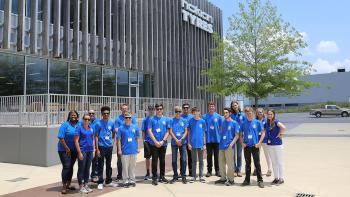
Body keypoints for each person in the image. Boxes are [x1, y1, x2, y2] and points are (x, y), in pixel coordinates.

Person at [240, 107, 265, 188]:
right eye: (246, 112)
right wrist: (242, 143)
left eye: (250, 112)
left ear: (253, 113)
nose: (248, 113)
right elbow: (240, 134)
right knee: (247, 164)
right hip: (247, 146)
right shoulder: (243, 123)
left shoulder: (257, 122)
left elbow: (263, 133)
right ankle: (247, 180)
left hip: (255, 146)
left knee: (257, 164)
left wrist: (259, 143)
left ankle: (260, 180)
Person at [215, 108, 240, 186]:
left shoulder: (234, 123)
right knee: (221, 163)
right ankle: (223, 178)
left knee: (230, 164)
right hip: (221, 145)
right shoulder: (222, 122)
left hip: (229, 146)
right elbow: (220, 131)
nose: (225, 114)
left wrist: (231, 144)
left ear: (230, 113)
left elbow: (237, 135)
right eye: (224, 113)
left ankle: (231, 180)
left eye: (226, 112)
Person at [148, 104, 170, 185]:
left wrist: (163, 141)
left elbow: (168, 131)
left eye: (160, 109)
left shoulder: (166, 119)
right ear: (155, 110)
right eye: (157, 109)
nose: (159, 110)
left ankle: (162, 176)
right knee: (154, 161)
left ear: (162, 109)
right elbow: (149, 131)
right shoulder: (151, 119)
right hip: (154, 144)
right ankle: (154, 177)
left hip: (163, 144)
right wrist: (155, 142)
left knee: (162, 161)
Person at [95, 106, 117, 190]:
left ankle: (108, 181)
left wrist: (112, 143)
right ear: (101, 114)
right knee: (100, 164)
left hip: (109, 147)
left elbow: (113, 133)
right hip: (101, 146)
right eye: (104, 113)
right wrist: (97, 149)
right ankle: (100, 182)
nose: (106, 115)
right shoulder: (98, 123)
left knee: (109, 164)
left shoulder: (111, 123)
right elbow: (96, 137)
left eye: (108, 113)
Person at [57, 110, 79, 194]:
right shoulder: (65, 125)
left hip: (74, 149)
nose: (73, 117)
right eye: (72, 115)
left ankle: (69, 184)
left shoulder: (79, 124)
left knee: (71, 166)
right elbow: (61, 137)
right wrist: (66, 148)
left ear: (77, 116)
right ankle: (64, 186)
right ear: (69, 116)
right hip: (63, 149)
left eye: (75, 115)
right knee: (66, 166)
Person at [117, 112, 141, 187]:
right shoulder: (121, 128)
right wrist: (119, 150)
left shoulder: (135, 127)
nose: (128, 119)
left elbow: (137, 138)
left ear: (131, 119)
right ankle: (125, 181)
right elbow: (118, 140)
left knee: (132, 166)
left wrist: (137, 148)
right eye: (126, 118)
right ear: (124, 119)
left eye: (129, 118)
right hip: (125, 151)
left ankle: (132, 180)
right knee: (125, 167)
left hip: (133, 150)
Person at [115, 103, 137, 180]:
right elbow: (116, 129)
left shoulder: (132, 117)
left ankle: (130, 177)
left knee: (131, 162)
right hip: (121, 142)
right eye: (123, 108)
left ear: (128, 109)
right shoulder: (118, 119)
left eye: (126, 108)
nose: (124, 110)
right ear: (121, 109)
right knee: (120, 160)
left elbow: (135, 129)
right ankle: (120, 175)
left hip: (131, 144)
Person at [74, 114, 95, 194]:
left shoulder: (91, 128)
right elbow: (76, 141)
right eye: (85, 119)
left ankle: (86, 184)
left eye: (88, 119)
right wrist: (79, 153)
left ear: (90, 120)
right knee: (81, 168)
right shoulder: (79, 128)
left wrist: (93, 149)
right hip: (83, 150)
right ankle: (81, 186)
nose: (87, 121)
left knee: (87, 168)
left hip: (90, 151)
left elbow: (92, 138)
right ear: (82, 119)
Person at [266, 109, 286, 185]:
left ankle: (281, 178)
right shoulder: (267, 123)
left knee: (280, 162)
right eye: (268, 114)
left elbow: (283, 127)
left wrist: (280, 135)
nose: (269, 115)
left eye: (271, 114)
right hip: (270, 145)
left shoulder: (276, 122)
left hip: (278, 144)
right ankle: (276, 178)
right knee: (274, 162)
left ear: (274, 115)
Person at [202, 101, 222, 177]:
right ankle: (209, 171)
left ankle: (217, 170)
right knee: (209, 156)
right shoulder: (204, 117)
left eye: (213, 106)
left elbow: (220, 128)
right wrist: (204, 141)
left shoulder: (219, 117)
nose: (211, 107)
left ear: (215, 107)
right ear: (208, 107)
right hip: (208, 139)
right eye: (210, 106)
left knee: (217, 156)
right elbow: (203, 129)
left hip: (217, 140)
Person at [169, 106, 188, 184]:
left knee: (183, 160)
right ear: (175, 112)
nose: (178, 113)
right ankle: (175, 176)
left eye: (179, 112)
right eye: (177, 111)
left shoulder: (184, 120)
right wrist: (176, 140)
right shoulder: (171, 120)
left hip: (182, 143)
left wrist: (181, 139)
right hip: (174, 143)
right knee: (174, 160)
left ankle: (183, 176)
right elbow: (170, 131)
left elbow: (186, 131)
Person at [187, 107, 206, 183]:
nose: (195, 113)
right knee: (194, 161)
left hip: (201, 144)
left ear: (199, 112)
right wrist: (188, 143)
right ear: (192, 113)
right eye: (194, 112)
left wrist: (204, 144)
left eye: (197, 111)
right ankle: (194, 176)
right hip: (193, 144)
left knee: (201, 161)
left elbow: (204, 133)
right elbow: (188, 133)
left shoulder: (202, 121)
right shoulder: (190, 121)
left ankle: (201, 176)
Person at [230, 100, 247, 177]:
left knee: (239, 154)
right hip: (232, 136)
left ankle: (239, 169)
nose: (234, 107)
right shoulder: (231, 115)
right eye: (233, 106)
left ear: (238, 105)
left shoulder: (243, 115)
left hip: (240, 136)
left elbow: (245, 125)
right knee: (233, 154)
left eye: (235, 105)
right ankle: (234, 169)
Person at [254, 108, 272, 177]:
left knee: (267, 155)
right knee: (256, 156)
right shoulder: (255, 121)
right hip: (257, 141)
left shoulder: (266, 121)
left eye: (261, 112)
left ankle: (269, 169)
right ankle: (256, 169)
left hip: (265, 140)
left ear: (263, 113)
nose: (259, 113)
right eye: (258, 112)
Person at [141, 105, 155, 180]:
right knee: (147, 157)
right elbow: (143, 130)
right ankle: (148, 172)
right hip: (148, 141)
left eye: (152, 109)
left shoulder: (156, 118)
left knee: (155, 158)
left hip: (155, 141)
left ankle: (154, 173)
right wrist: (144, 140)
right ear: (147, 110)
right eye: (150, 109)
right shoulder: (145, 119)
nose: (151, 110)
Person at [181, 103, 193, 177]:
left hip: (190, 141)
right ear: (182, 109)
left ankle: (191, 171)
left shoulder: (191, 117)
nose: (186, 109)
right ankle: (182, 172)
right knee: (182, 157)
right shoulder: (180, 116)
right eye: (184, 108)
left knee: (190, 157)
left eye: (187, 108)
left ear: (189, 109)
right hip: (182, 141)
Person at [88, 110, 100, 182]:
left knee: (95, 161)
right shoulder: (85, 122)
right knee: (86, 161)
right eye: (90, 113)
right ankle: (84, 176)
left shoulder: (98, 122)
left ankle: (94, 175)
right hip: (86, 144)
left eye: (93, 113)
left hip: (95, 144)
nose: (91, 114)